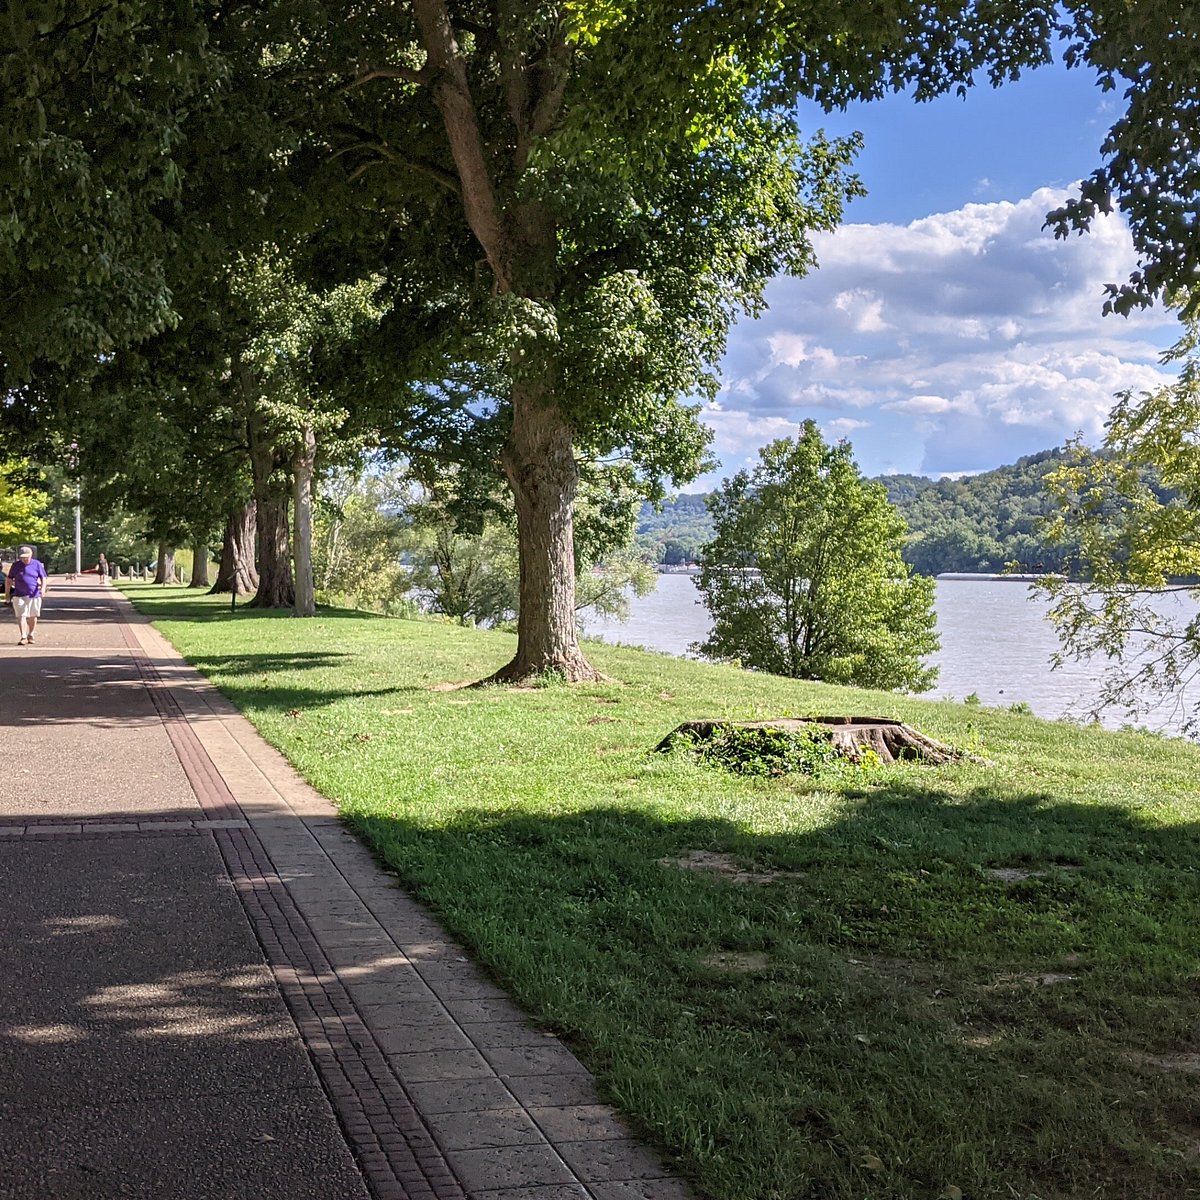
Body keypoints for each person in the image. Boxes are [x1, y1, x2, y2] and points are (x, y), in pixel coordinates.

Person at [4, 544, 48, 646]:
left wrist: (43, 588)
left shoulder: (37, 564)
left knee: (33, 616)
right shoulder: (16, 565)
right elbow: (9, 579)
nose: (25, 560)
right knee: (21, 615)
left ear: (31, 555)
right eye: (22, 558)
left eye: (26, 557)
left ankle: (31, 634)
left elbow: (43, 578)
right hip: (19, 594)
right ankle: (23, 636)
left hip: (34, 594)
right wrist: (7, 594)